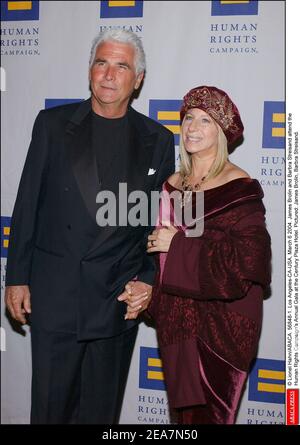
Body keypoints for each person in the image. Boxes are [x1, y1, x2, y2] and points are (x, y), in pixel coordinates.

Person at [4, 29, 175, 424]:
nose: (109, 75)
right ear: (90, 71)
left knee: (102, 415)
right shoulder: (52, 125)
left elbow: (154, 221)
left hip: (115, 301)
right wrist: (16, 277)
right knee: (50, 411)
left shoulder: (158, 140)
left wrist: (148, 279)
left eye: (122, 66)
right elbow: (28, 204)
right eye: (101, 63)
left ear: (139, 79)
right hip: (55, 295)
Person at [140, 85, 271, 424]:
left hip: (222, 329)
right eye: (188, 119)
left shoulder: (238, 187)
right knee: (184, 418)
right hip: (176, 324)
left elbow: (249, 262)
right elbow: (161, 256)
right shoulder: (172, 183)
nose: (192, 128)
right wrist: (148, 292)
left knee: (210, 418)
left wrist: (178, 245)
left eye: (205, 121)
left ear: (222, 133)